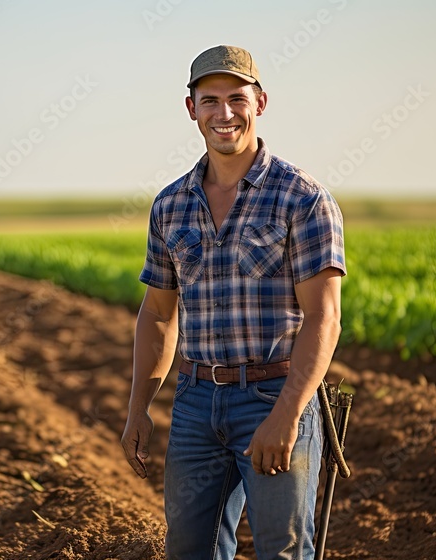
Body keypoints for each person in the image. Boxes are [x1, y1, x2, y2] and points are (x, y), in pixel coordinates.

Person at [119, 45, 347, 560]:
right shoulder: (171, 205)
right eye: (210, 100)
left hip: (273, 395)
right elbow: (158, 314)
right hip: (196, 403)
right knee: (189, 551)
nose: (224, 114)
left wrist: (287, 414)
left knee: (281, 551)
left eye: (236, 99)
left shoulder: (302, 198)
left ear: (260, 102)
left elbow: (324, 317)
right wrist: (138, 409)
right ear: (191, 108)